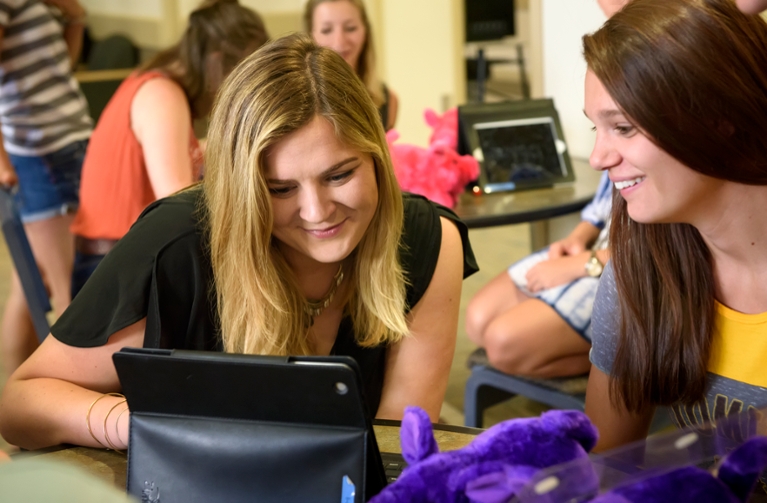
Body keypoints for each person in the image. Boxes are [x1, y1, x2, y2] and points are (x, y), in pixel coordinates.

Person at [0, 33, 478, 450]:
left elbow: (394, 442)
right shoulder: (179, 245)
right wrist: (145, 427)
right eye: (280, 189)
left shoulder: (429, 241)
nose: (316, 212)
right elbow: (21, 404)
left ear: (377, 156)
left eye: (339, 174)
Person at [582, 0, 767, 452]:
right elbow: (605, 470)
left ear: (720, 118)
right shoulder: (643, 267)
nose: (597, 158)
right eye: (596, 130)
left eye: (623, 127)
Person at [463, 0, 626, 380]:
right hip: (602, 247)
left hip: (633, 265)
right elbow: (610, 192)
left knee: (504, 343)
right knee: (478, 320)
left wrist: (582, 265)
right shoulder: (613, 53)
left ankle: (632, 365)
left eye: (623, 128)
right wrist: (580, 238)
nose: (598, 156)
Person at [68, 0, 269, 296]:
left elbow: (187, 156)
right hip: (112, 269)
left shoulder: (159, 85)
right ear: (215, 63)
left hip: (119, 257)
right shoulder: (161, 95)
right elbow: (179, 208)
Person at [0, 0, 92, 377]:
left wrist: (74, 15)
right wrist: (3, 163)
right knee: (71, 291)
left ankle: (19, 411)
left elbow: (60, 69)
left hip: (69, 141)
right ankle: (65, 407)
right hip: (42, 154)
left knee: (30, 283)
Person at [304, 0, 398, 131]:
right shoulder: (297, 99)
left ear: (365, 31)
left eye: (350, 28)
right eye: (326, 30)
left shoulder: (387, 100)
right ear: (310, 35)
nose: (339, 42)